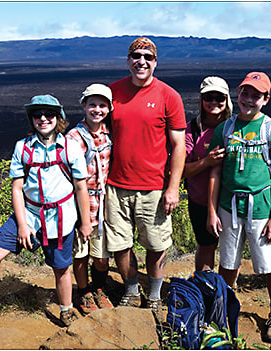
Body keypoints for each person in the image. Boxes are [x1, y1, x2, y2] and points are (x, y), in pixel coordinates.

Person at [0, 94, 92, 331]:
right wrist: (23, 225)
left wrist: (85, 223)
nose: (43, 119)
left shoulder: (71, 147)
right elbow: (17, 188)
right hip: (30, 214)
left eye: (49, 114)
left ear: (59, 117)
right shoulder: (23, 148)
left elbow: (80, 187)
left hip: (61, 217)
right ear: (31, 119)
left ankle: (66, 311)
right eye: (37, 115)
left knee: (61, 268)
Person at [207, 72, 271, 343]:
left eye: (256, 95)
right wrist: (211, 210)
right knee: (228, 261)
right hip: (229, 206)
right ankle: (223, 309)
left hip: (261, 209)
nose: (249, 100)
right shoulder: (225, 129)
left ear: (266, 99)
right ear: (238, 94)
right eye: (245, 93)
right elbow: (215, 173)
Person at [106, 37, 186, 311]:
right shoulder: (112, 92)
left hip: (154, 187)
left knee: (156, 244)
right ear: (128, 60)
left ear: (155, 62)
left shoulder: (169, 96)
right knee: (120, 244)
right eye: (136, 56)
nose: (142, 61)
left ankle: (153, 294)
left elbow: (178, 147)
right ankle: (130, 290)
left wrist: (172, 187)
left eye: (148, 57)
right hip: (115, 185)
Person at [184, 76, 271, 271]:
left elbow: (267, 145)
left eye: (219, 98)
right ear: (201, 100)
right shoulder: (192, 130)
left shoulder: (234, 126)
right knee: (209, 246)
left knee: (232, 255)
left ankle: (226, 293)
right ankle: (207, 291)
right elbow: (179, 169)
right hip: (204, 199)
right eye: (209, 97)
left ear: (227, 99)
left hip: (235, 202)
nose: (214, 102)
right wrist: (206, 162)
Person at [65, 84, 114, 314]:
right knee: (81, 252)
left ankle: (99, 287)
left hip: (104, 202)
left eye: (102, 105)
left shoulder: (108, 132)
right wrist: (84, 219)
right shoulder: (74, 137)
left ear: (109, 108)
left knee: (102, 253)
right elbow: (76, 181)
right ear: (84, 105)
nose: (97, 109)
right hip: (80, 204)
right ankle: (84, 291)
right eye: (92, 104)